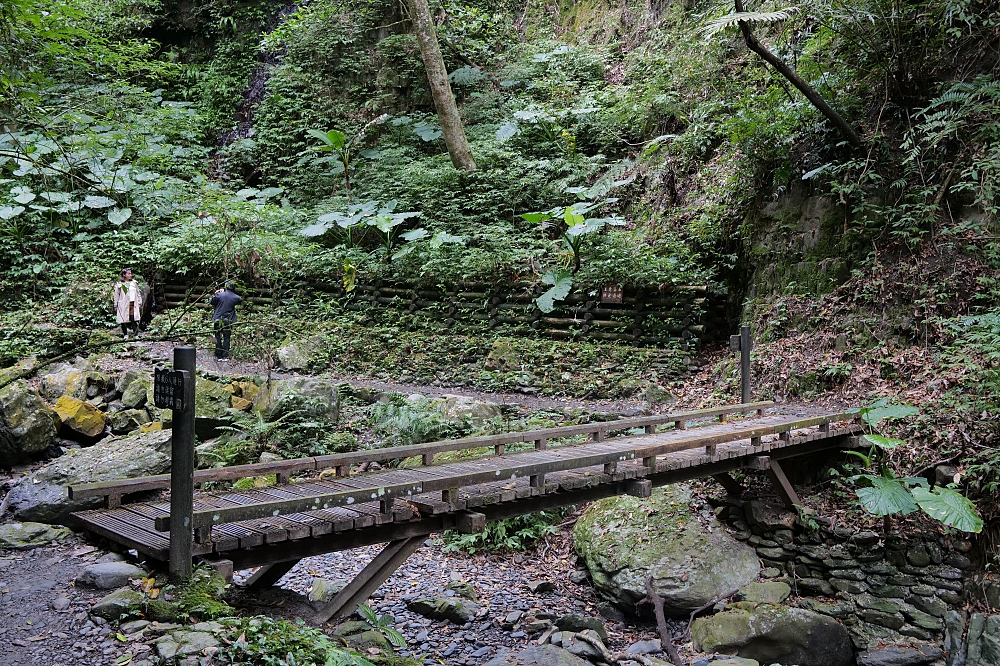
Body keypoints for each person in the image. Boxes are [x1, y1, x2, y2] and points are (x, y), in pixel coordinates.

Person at [210, 282, 240, 360]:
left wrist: (216, 293)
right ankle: (225, 355)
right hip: (229, 319)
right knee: (227, 337)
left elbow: (212, 302)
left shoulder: (220, 295)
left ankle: (218, 354)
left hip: (218, 318)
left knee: (217, 336)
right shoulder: (236, 297)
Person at [112, 268, 143, 338]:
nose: (130, 275)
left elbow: (138, 293)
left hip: (132, 303)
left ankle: (136, 335)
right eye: (128, 273)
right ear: (124, 275)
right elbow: (116, 295)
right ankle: (125, 334)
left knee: (133, 319)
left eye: (131, 273)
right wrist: (115, 305)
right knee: (123, 319)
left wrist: (139, 301)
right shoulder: (120, 284)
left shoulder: (134, 283)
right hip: (123, 304)